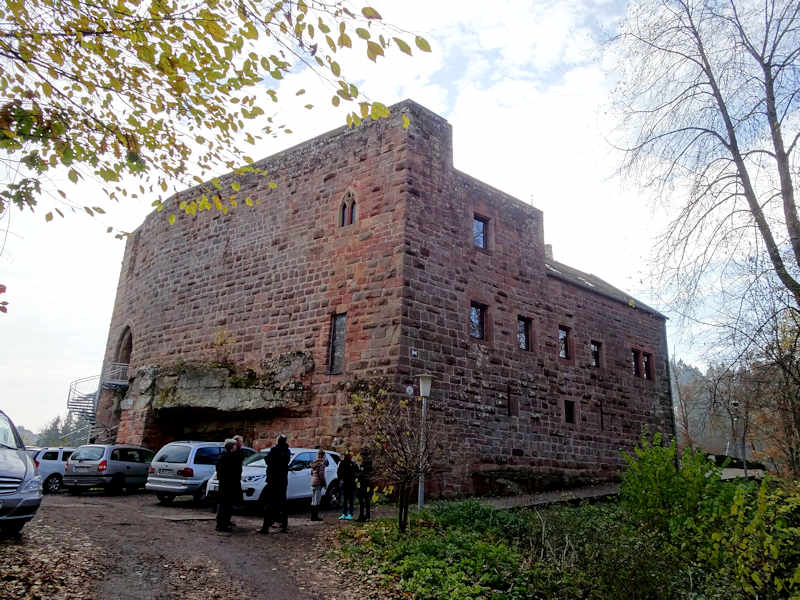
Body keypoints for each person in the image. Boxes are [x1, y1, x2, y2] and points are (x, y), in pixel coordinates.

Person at [259, 434, 290, 534]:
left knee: (268, 503)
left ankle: (265, 527)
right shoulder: (287, 451)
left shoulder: (274, 450)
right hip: (283, 480)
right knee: (282, 503)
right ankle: (284, 525)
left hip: (273, 479)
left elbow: (268, 460)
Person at [215, 439, 242, 532]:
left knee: (225, 505)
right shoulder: (228, 457)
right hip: (228, 484)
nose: (236, 447)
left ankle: (223, 524)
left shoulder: (224, 456)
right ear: (231, 447)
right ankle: (222, 525)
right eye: (234, 446)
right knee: (225, 506)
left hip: (225, 484)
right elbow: (233, 472)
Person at [337, 452, 358, 520]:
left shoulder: (353, 464)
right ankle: (344, 513)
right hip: (345, 484)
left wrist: (355, 478)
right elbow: (339, 472)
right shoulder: (342, 463)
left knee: (350, 500)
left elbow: (357, 472)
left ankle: (350, 514)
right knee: (345, 500)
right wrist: (340, 479)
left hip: (351, 484)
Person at [309, 448, 326, 522]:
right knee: (317, 500)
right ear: (323, 455)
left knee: (313, 500)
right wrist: (324, 484)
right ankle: (315, 517)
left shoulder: (314, 463)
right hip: (318, 483)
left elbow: (311, 473)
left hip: (313, 482)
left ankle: (312, 516)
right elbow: (321, 474)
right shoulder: (321, 464)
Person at [357, 447, 373, 522]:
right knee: (366, 500)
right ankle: (365, 516)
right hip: (366, 483)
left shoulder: (365, 464)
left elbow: (364, 474)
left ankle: (364, 516)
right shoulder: (367, 463)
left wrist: (358, 475)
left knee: (364, 500)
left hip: (364, 483)